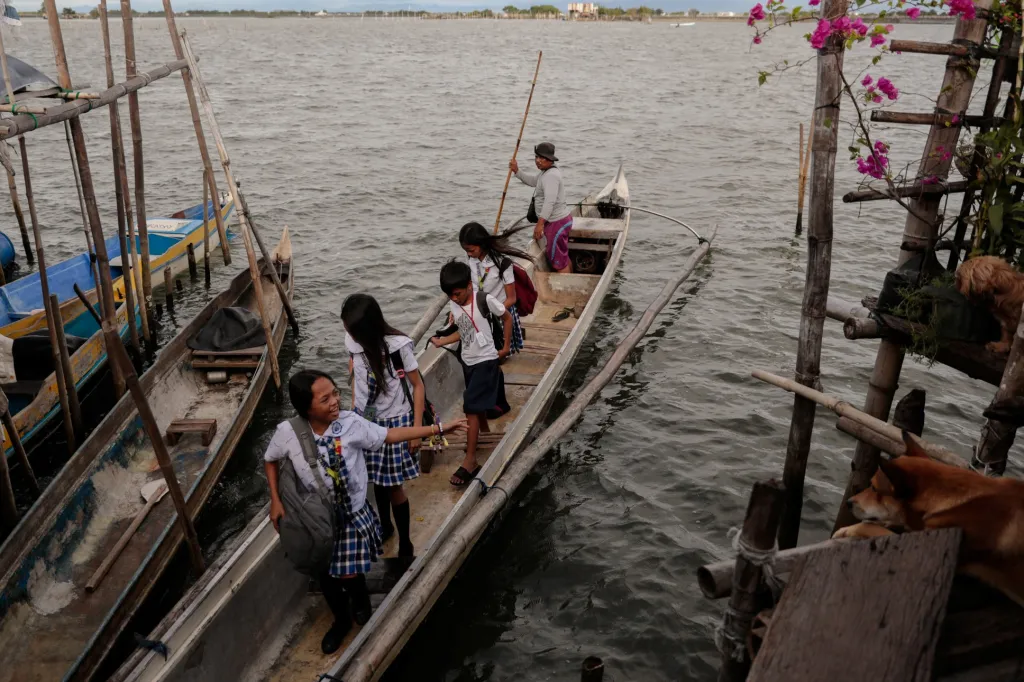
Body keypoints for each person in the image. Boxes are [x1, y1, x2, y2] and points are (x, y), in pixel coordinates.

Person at [264, 369, 466, 654]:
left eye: (335, 393)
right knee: (326, 576)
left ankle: (360, 605)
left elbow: (391, 435)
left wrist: (437, 428)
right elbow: (270, 461)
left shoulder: (350, 424)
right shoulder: (287, 433)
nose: (335, 401)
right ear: (306, 407)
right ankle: (342, 621)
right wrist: (275, 500)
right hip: (316, 518)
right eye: (325, 399)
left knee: (349, 573)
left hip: (350, 515)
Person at [341, 293, 424, 559]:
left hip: (395, 420)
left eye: (353, 331)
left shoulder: (398, 347)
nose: (349, 335)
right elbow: (355, 376)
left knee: (394, 484)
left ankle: (406, 542)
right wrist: (354, 412)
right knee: (376, 478)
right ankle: (385, 526)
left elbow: (418, 386)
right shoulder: (353, 342)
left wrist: (417, 430)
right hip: (366, 419)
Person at [431, 260, 511, 487]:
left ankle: (470, 460)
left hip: (486, 361)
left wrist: (505, 347)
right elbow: (463, 332)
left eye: (457, 293)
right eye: (449, 295)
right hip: (468, 361)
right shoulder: (455, 305)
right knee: (477, 405)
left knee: (470, 407)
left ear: (468, 285)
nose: (454, 298)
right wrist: (442, 340)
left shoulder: (484, 299)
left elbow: (506, 317)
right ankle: (482, 434)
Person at [459, 221, 532, 356]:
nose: (468, 254)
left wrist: (494, 311)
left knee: (499, 353)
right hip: (480, 311)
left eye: (471, 250)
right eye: (466, 251)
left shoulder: (503, 263)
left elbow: (512, 298)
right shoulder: (471, 259)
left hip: (500, 311)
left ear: (482, 245)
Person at [509, 141, 573, 274]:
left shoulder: (551, 176)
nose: (538, 161)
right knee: (562, 257)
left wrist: (540, 224)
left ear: (550, 159)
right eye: (536, 157)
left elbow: (549, 202)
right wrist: (517, 171)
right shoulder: (545, 172)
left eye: (542, 158)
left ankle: (563, 290)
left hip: (557, 222)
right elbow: (533, 181)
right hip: (557, 222)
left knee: (559, 263)